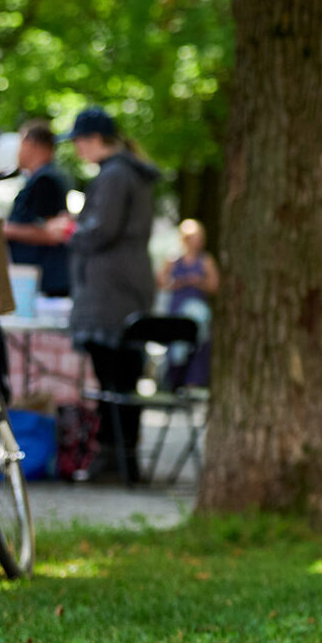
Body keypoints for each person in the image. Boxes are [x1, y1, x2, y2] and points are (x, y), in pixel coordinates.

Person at [62, 106, 159, 483]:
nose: (77, 150)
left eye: (78, 142)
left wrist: (71, 232)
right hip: (125, 286)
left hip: (111, 291)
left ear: (93, 140)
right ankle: (120, 454)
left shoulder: (116, 175)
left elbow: (104, 229)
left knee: (115, 376)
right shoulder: (126, 173)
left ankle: (117, 456)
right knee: (120, 376)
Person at [2, 121, 74, 297]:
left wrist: (7, 230)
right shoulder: (41, 179)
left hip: (45, 281)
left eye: (21, 143)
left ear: (32, 145)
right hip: (40, 278)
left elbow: (53, 234)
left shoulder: (45, 181)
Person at [156, 218, 218, 389]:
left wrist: (198, 282)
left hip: (197, 313)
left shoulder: (205, 261)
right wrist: (178, 283)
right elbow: (161, 281)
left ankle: (193, 383)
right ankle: (173, 382)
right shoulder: (174, 259)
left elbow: (214, 286)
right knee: (176, 348)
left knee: (198, 346)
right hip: (177, 310)